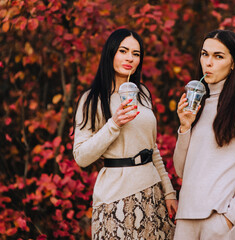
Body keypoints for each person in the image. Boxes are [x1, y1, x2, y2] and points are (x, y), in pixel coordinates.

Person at [73, 28, 177, 239]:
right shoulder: (92, 100)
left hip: (152, 191)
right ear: (111, 53)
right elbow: (81, 157)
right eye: (123, 51)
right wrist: (114, 124)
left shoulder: (143, 93)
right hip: (115, 197)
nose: (130, 58)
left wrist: (169, 192)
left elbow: (152, 148)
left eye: (136, 53)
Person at [173, 29, 235, 240]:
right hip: (186, 219)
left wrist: (229, 218)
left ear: (233, 63)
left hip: (221, 219)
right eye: (205, 54)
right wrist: (185, 127)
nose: (208, 62)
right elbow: (180, 170)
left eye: (218, 56)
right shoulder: (196, 105)